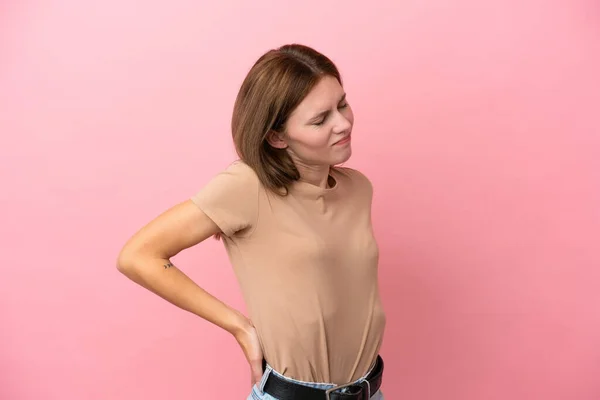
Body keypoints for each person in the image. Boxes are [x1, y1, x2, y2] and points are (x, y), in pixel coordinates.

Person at [116, 43, 386, 400]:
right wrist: (238, 326)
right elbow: (137, 255)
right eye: (321, 119)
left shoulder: (357, 188)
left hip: (370, 390)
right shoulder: (247, 186)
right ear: (276, 136)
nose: (343, 123)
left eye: (343, 104)